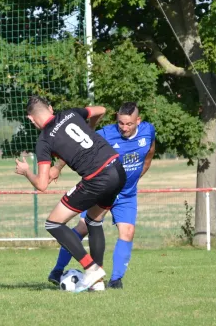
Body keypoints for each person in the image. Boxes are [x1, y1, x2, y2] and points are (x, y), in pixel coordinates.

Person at [15, 95, 126, 293]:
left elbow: (41, 185)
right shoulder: (70, 113)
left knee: (53, 223)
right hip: (117, 169)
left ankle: (91, 269)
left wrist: (26, 172)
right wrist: (90, 127)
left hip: (97, 177)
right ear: (50, 108)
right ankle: (97, 282)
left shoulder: (44, 141)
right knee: (93, 221)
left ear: (31, 119)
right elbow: (101, 109)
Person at [47, 102, 155, 290]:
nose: (124, 128)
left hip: (127, 194)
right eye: (121, 123)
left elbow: (148, 155)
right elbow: (76, 147)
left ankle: (115, 280)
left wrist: (138, 176)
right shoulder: (106, 133)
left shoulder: (148, 131)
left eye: (129, 124)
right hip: (103, 189)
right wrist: (57, 167)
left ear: (138, 121)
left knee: (128, 232)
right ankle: (57, 271)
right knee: (82, 228)